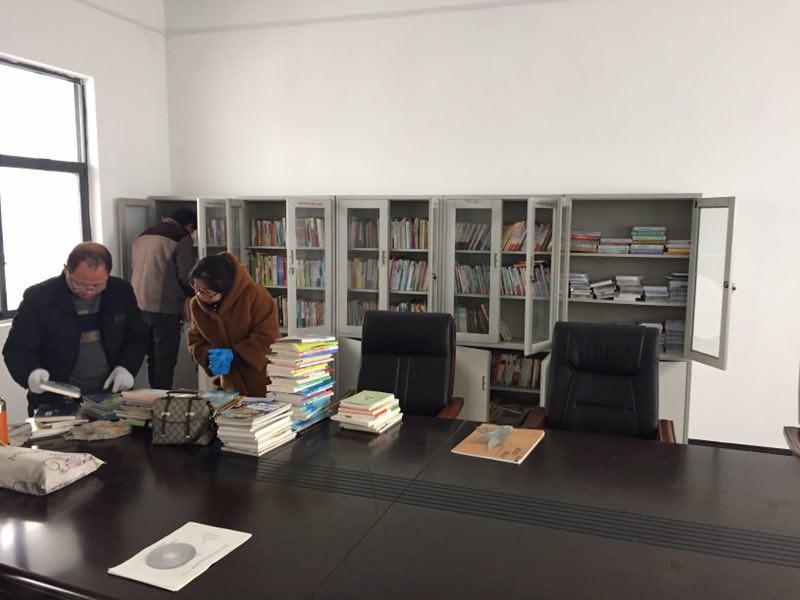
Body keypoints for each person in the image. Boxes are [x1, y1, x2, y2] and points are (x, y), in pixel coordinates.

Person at [3, 243, 147, 415]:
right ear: (66, 270)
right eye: (80, 284)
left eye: (97, 285)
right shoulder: (40, 298)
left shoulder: (120, 291)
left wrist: (126, 367)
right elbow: (16, 349)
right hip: (56, 400)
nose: (89, 291)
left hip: (109, 395)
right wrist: (30, 373)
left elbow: (138, 335)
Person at [186, 252, 281, 396]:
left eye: (206, 291)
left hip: (263, 380)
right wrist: (209, 356)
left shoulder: (255, 295)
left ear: (225, 288)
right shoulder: (197, 305)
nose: (199, 295)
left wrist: (236, 355)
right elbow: (195, 340)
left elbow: (268, 337)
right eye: (196, 288)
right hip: (229, 385)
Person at [131, 208, 197, 389]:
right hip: (165, 308)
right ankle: (161, 401)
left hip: (138, 306)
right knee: (164, 362)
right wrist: (195, 295)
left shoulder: (144, 235)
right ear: (189, 226)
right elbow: (187, 276)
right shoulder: (181, 237)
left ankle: (151, 399)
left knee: (151, 359)